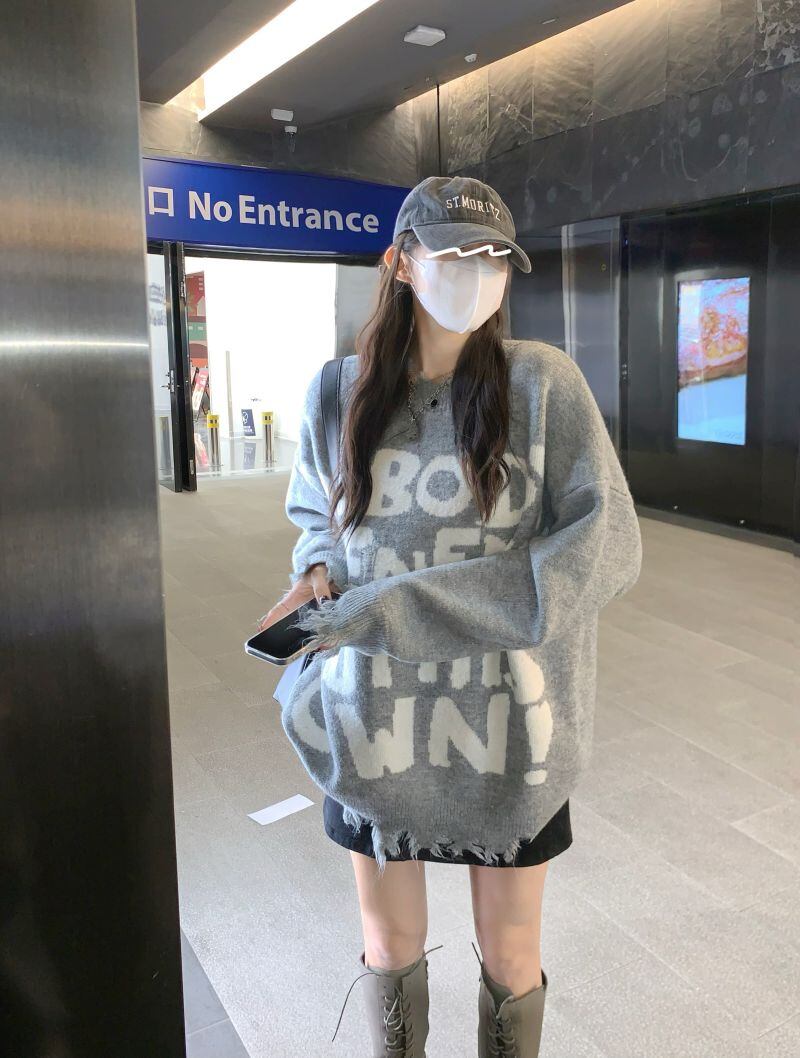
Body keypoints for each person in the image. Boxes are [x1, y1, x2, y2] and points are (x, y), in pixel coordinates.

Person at [256, 175, 643, 1058]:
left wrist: (400, 607)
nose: (477, 272)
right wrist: (317, 574)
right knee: (389, 944)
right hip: (374, 719)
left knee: (510, 953)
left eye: (495, 257)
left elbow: (606, 545)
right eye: (455, 253)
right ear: (401, 262)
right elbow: (318, 516)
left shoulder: (542, 386)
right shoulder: (339, 391)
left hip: (508, 727)